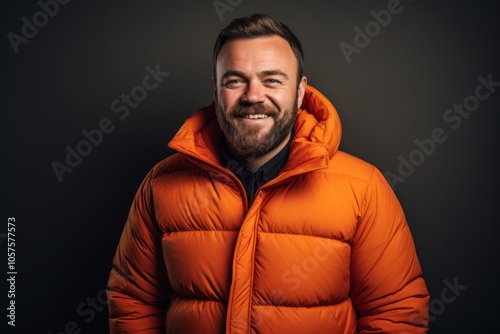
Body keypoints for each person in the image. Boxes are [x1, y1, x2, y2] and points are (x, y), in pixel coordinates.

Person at [106, 13, 430, 333]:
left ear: (301, 91)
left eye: (272, 79)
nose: (253, 96)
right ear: (215, 90)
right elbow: (133, 303)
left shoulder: (363, 188)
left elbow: (397, 315)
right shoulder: (161, 183)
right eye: (235, 80)